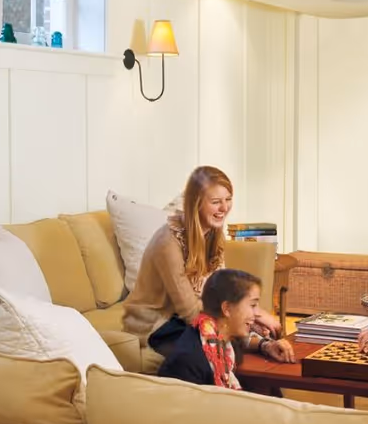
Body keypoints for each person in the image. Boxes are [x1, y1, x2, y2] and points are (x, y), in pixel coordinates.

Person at [122, 166, 280, 373]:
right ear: (196, 204)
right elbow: (190, 311)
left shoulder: (213, 235)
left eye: (228, 199)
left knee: (239, 347)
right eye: (215, 202)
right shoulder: (167, 243)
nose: (224, 208)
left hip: (187, 320)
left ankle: (265, 399)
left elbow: (221, 294)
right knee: (215, 351)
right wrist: (249, 318)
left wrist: (256, 323)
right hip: (157, 325)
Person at [159, 269, 295, 388]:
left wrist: (267, 345)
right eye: (252, 305)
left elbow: (243, 342)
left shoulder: (219, 338)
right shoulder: (190, 359)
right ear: (227, 309)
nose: (257, 314)